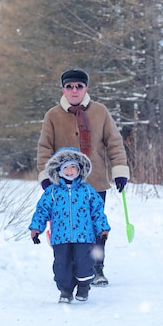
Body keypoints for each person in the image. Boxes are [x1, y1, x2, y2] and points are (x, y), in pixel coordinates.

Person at [37, 68, 129, 287]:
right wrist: (45, 176)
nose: (74, 90)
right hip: (63, 186)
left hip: (95, 182)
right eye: (69, 87)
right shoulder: (53, 115)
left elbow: (114, 143)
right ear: (63, 90)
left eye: (79, 86)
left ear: (86, 88)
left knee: (97, 227)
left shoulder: (100, 112)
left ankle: (96, 268)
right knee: (67, 228)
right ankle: (70, 270)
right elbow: (44, 148)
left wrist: (119, 170)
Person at [29, 147, 110, 303]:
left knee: (84, 263)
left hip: (84, 236)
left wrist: (103, 228)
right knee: (61, 265)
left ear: (80, 169)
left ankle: (83, 287)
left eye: (73, 167)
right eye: (65, 167)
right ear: (58, 170)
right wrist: (35, 228)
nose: (70, 171)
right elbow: (42, 210)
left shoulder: (87, 190)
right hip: (60, 236)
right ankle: (65, 291)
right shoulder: (52, 191)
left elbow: (97, 211)